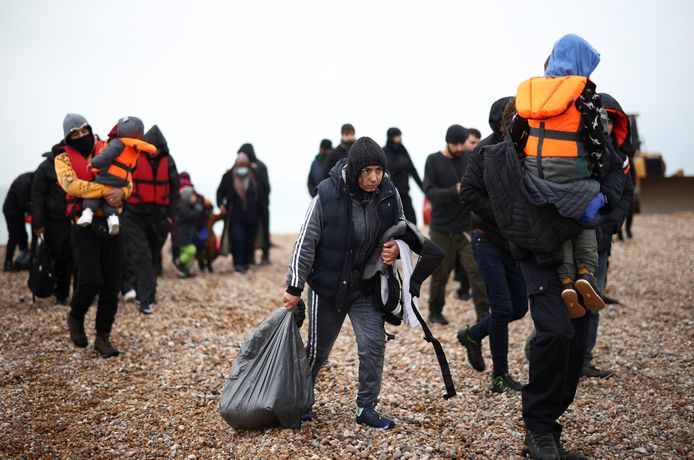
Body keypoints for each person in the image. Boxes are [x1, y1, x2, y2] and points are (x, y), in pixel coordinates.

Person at [509, 35, 625, 458]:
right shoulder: (522, 118)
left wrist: (603, 208)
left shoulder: (589, 109)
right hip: (538, 244)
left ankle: (549, 425)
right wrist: (514, 224)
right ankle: (537, 429)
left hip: (579, 224)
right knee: (555, 334)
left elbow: (613, 171)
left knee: (574, 346)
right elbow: (500, 171)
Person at [282, 137, 403, 429]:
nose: (374, 178)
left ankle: (366, 409)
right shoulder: (327, 194)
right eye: (367, 171)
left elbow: (402, 226)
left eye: (379, 170)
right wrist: (294, 288)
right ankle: (300, 403)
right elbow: (305, 242)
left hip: (366, 285)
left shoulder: (388, 192)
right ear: (355, 171)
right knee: (316, 353)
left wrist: (397, 247)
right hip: (329, 287)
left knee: (373, 345)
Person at [458, 97, 529, 394]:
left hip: (513, 241)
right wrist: (501, 212)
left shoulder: (525, 147)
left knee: (519, 308)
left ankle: (473, 335)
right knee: (501, 308)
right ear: (500, 119)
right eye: (512, 115)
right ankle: (500, 376)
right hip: (485, 238)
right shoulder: (483, 151)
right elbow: (469, 195)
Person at [55, 113, 131, 358]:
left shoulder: (109, 149)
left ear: (90, 129)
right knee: (90, 280)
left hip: (112, 223)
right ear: (68, 137)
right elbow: (72, 185)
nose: (80, 136)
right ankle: (75, 317)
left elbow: (128, 180)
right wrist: (108, 189)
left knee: (112, 283)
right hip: (84, 225)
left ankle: (103, 336)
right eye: (74, 133)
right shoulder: (63, 158)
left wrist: (123, 193)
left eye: (83, 130)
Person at [582, 93, 635, 379]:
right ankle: (545, 351)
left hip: (603, 239)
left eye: (613, 121)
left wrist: (612, 222)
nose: (608, 126)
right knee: (565, 299)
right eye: (604, 120)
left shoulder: (623, 158)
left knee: (594, 300)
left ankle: (584, 360)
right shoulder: (581, 150)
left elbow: (626, 195)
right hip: (577, 235)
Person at [423, 124, 489, 325]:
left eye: (462, 143)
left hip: (466, 228)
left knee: (476, 272)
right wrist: (454, 190)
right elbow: (430, 192)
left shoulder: (469, 158)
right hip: (441, 230)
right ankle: (435, 311)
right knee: (440, 275)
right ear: (448, 142)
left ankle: (484, 315)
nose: (460, 148)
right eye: (455, 144)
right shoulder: (434, 160)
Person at [121, 125, 180, 315]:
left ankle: (141, 290)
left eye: (158, 149)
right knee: (141, 255)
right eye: (151, 148)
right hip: (134, 215)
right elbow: (121, 182)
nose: (154, 152)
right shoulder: (134, 158)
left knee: (153, 256)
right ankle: (146, 299)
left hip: (159, 217)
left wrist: (172, 216)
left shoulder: (168, 161)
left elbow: (174, 190)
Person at [75, 117, 156, 235]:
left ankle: (87, 213)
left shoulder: (118, 143)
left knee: (93, 195)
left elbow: (106, 156)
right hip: (122, 180)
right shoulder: (135, 147)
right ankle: (113, 219)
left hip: (108, 176)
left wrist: (93, 163)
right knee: (111, 200)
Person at [31, 144, 75, 304]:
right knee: (60, 258)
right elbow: (37, 197)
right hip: (54, 221)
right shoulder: (45, 168)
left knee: (78, 258)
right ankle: (61, 294)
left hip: (76, 219)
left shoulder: (77, 164)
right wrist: (38, 223)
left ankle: (81, 294)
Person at [217, 153, 261, 273]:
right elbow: (220, 192)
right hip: (235, 216)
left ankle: (246, 264)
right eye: (239, 164)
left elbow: (261, 195)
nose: (242, 167)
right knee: (237, 239)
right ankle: (238, 264)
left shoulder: (254, 176)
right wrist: (220, 205)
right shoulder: (228, 176)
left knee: (249, 241)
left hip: (252, 216)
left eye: (244, 164)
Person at [237, 143, 271, 265]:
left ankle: (265, 255)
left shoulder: (260, 167)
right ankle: (252, 257)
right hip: (253, 206)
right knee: (252, 231)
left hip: (261, 205)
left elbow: (266, 187)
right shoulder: (250, 167)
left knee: (262, 231)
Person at [382, 127, 423, 224]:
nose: (399, 139)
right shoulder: (384, 151)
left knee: (412, 221)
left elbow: (412, 170)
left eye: (399, 136)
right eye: (396, 136)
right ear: (390, 137)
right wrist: (401, 164)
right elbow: (387, 169)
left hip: (405, 193)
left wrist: (424, 188)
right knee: (394, 223)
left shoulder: (403, 150)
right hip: (391, 195)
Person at [3, 172, 33, 271]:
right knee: (14, 237)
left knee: (23, 236)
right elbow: (23, 202)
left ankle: (24, 260)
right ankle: (8, 264)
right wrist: (34, 210)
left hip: (19, 211)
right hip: (11, 210)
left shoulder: (30, 179)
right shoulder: (25, 181)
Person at [172, 185, 204, 277]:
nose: (195, 198)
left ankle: (185, 271)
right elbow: (191, 216)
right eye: (192, 196)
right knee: (191, 250)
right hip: (182, 236)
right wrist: (197, 210)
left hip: (188, 235)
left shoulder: (190, 206)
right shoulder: (182, 206)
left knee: (188, 253)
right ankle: (180, 263)